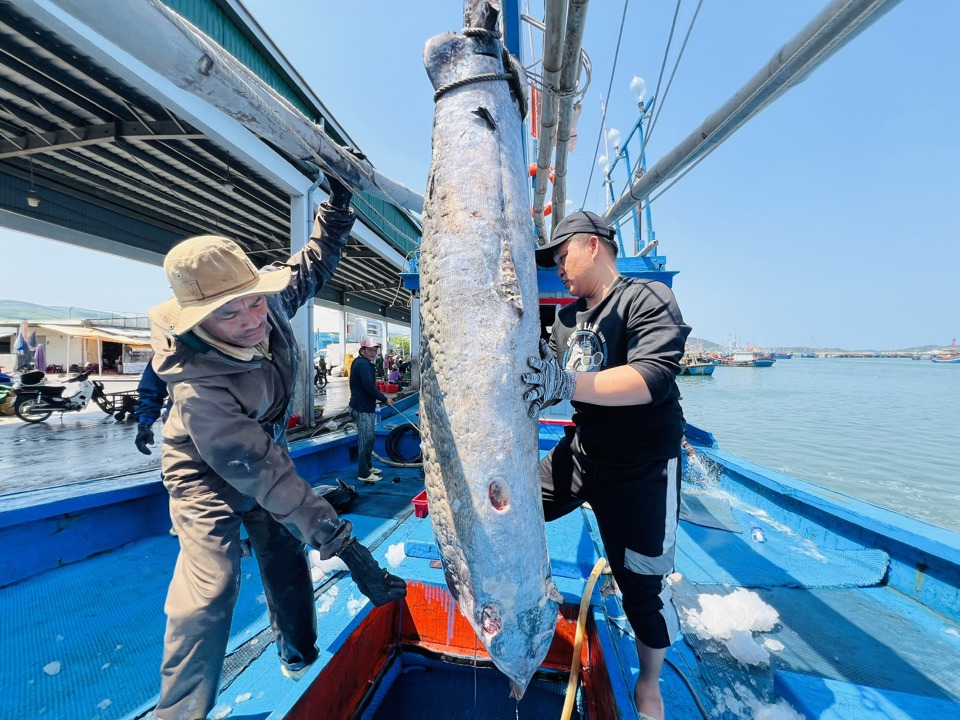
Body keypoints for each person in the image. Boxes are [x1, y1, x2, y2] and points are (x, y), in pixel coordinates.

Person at [146, 172, 406, 720]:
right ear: (197, 321)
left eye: (253, 305)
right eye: (229, 313)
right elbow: (261, 471)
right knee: (211, 587)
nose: (250, 321)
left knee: (286, 553)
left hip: (265, 449)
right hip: (205, 472)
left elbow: (308, 264)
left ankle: (297, 652)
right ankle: (178, 713)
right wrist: (345, 545)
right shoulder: (198, 387)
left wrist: (335, 213)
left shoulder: (269, 305)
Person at [521, 211, 690, 720]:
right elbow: (542, 375)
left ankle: (650, 682)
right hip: (584, 450)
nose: (557, 265)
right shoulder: (566, 320)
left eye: (561, 254)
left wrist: (563, 385)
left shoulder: (645, 299)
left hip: (642, 465)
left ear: (592, 245)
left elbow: (650, 379)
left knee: (641, 583)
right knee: (517, 503)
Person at [348, 337, 393, 482]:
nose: (373, 353)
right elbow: (369, 387)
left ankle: (367, 466)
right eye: (370, 350)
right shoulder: (363, 365)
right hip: (362, 408)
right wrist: (384, 399)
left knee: (370, 438)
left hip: (365, 407)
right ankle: (364, 473)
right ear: (362, 350)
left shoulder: (362, 363)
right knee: (365, 440)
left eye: (375, 350)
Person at [133, 362, 168, 453]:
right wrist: (144, 424)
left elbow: (151, 391)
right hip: (184, 432)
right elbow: (152, 390)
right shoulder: (170, 352)